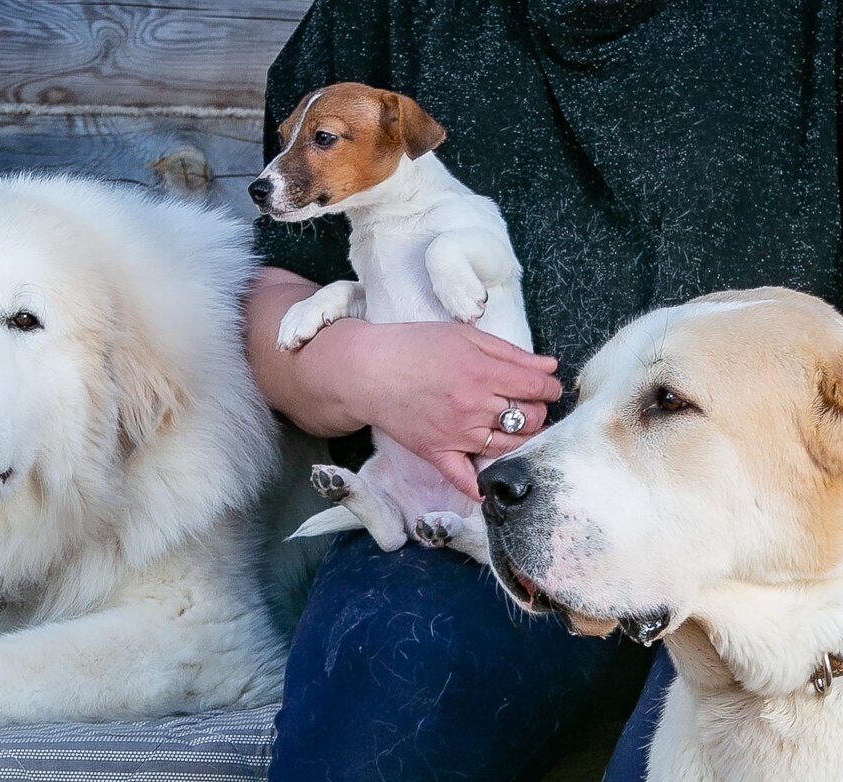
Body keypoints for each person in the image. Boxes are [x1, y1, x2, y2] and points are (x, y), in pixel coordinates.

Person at [245, 1, 842, 779]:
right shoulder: (386, 15)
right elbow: (269, 295)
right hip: (461, 521)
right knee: (358, 755)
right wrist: (367, 369)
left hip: (771, 572)